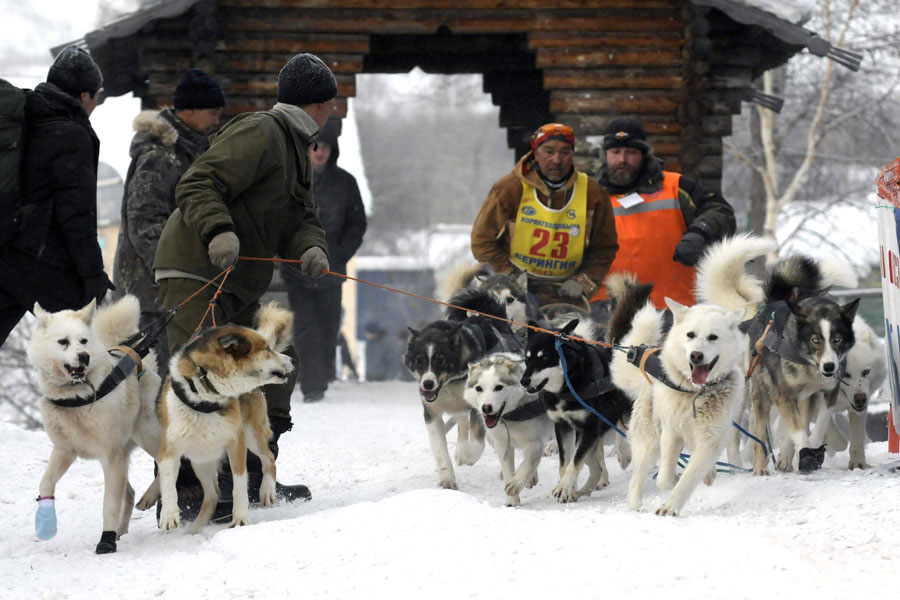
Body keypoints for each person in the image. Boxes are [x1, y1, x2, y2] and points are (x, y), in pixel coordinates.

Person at [153, 52, 336, 506]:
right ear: (320, 103)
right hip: (197, 266)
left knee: (268, 369)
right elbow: (198, 183)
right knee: (202, 378)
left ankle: (254, 473)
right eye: (333, 102)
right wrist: (219, 229)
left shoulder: (297, 147)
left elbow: (302, 218)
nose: (334, 110)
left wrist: (310, 247)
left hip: (236, 279)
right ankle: (190, 489)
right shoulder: (261, 132)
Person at [113, 69, 225, 376]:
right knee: (152, 385)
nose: (217, 121)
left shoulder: (190, 151)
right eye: (212, 112)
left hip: (170, 291)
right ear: (188, 110)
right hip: (150, 295)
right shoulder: (160, 156)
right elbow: (144, 222)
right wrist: (172, 272)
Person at [0, 45, 112, 348]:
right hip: (34, 261)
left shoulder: (24, 116)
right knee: (89, 340)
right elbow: (76, 217)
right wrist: (93, 278)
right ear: (85, 96)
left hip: (5, 246)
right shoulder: (72, 135)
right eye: (97, 95)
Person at [591, 117, 736, 308]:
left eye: (631, 152)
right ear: (605, 155)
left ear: (644, 154)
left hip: (672, 311)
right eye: (615, 152)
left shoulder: (675, 186)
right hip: (607, 313)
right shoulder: (590, 194)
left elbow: (720, 211)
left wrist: (699, 233)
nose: (622, 160)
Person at [471, 123, 617, 307]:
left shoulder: (593, 193)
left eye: (565, 152)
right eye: (549, 151)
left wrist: (585, 280)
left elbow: (605, 247)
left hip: (567, 293)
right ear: (535, 153)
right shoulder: (509, 189)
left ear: (572, 154)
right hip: (516, 292)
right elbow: (481, 241)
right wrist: (510, 277)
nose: (557, 159)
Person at [281, 118, 366, 403]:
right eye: (315, 146)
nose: (320, 151)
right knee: (305, 327)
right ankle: (312, 386)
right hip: (297, 269)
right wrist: (288, 251)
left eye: (326, 146)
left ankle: (324, 375)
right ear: (306, 148)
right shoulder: (290, 180)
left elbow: (357, 224)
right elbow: (277, 219)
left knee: (329, 326)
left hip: (333, 268)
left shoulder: (346, 183)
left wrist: (340, 253)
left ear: (333, 150)